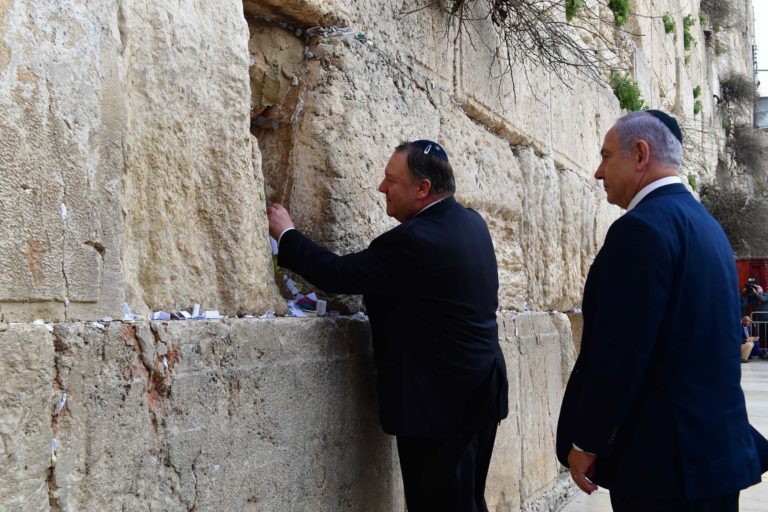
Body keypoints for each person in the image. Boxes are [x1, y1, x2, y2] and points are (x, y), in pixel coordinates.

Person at [266, 140, 508, 512]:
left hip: (438, 410)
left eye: (391, 180)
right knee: (468, 501)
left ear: (423, 188)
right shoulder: (471, 223)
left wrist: (286, 235)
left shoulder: (413, 241)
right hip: (479, 394)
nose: (382, 187)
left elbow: (336, 273)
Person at [556, 110, 768, 512]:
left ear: (640, 154)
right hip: (712, 457)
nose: (599, 172)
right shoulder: (705, 226)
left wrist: (588, 441)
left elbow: (620, 353)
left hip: (665, 466)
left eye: (606, 156)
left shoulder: (642, 229)